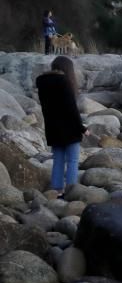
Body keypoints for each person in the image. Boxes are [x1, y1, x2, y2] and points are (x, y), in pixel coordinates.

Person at [36, 56, 87, 195]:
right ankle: (71, 191)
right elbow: (71, 109)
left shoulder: (41, 81)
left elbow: (45, 108)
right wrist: (82, 128)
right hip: (69, 129)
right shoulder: (64, 81)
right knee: (73, 160)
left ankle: (57, 190)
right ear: (67, 68)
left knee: (58, 160)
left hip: (52, 128)